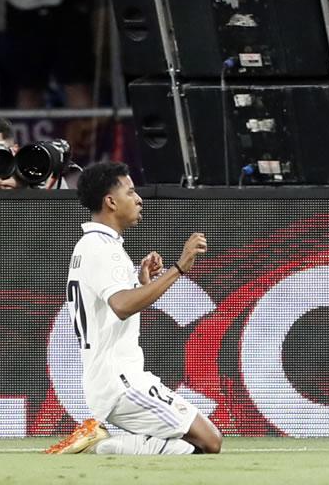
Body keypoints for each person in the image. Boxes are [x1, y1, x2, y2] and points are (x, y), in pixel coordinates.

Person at [46, 161, 222, 455]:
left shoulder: (92, 245)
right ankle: (99, 444)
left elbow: (115, 306)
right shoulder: (102, 248)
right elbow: (121, 306)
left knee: (194, 446)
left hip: (111, 378)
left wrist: (141, 283)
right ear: (111, 202)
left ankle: (101, 442)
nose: (139, 199)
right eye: (130, 192)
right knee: (210, 441)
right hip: (121, 381)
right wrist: (180, 267)